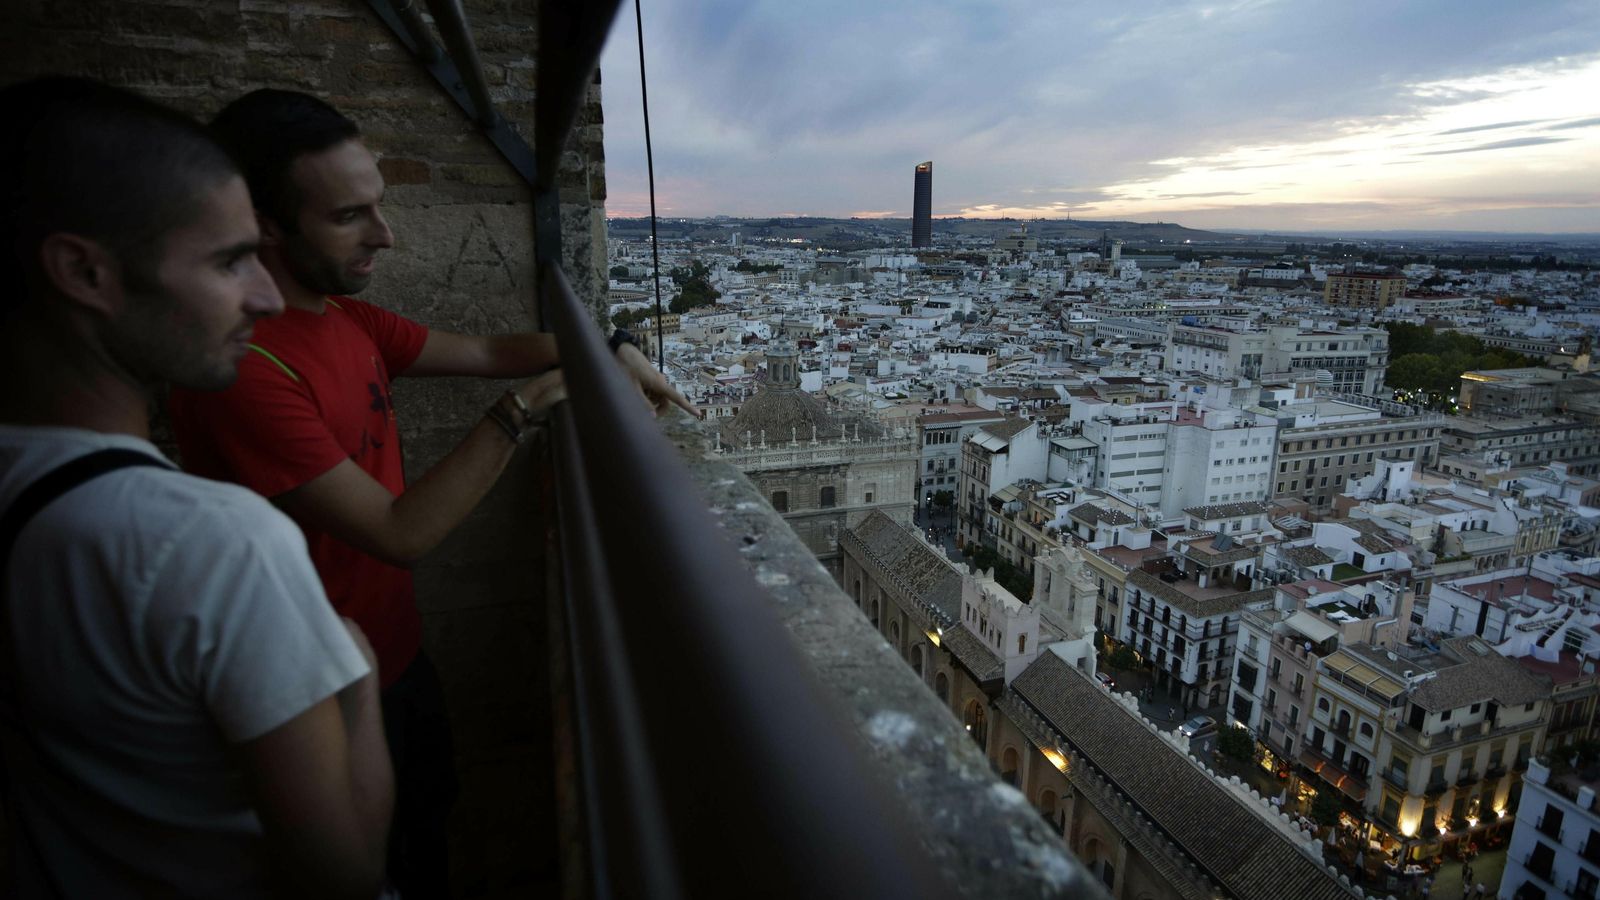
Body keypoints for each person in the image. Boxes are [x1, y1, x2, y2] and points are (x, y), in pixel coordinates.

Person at [168, 88, 695, 897]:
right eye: (351, 216)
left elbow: (487, 347)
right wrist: (527, 408)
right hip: (309, 690)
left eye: (377, 205)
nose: (386, 233)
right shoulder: (245, 371)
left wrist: (611, 346)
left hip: (393, 652)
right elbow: (399, 532)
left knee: (428, 833)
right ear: (266, 226)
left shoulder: (339, 317)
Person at [0, 77, 392, 897]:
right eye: (228, 261)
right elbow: (346, 875)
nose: (261, 294)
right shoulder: (215, 545)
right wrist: (353, 678)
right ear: (84, 272)